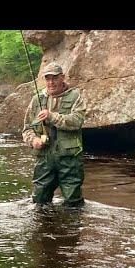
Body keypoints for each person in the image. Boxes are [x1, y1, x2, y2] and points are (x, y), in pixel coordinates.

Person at [22, 62, 87, 207]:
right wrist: (34, 141)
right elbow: (27, 129)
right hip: (44, 159)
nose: (51, 82)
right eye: (47, 78)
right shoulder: (36, 100)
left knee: (73, 204)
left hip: (69, 159)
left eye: (55, 78)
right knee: (39, 202)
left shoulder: (75, 96)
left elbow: (77, 121)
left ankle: (73, 229)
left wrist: (52, 116)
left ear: (62, 77)